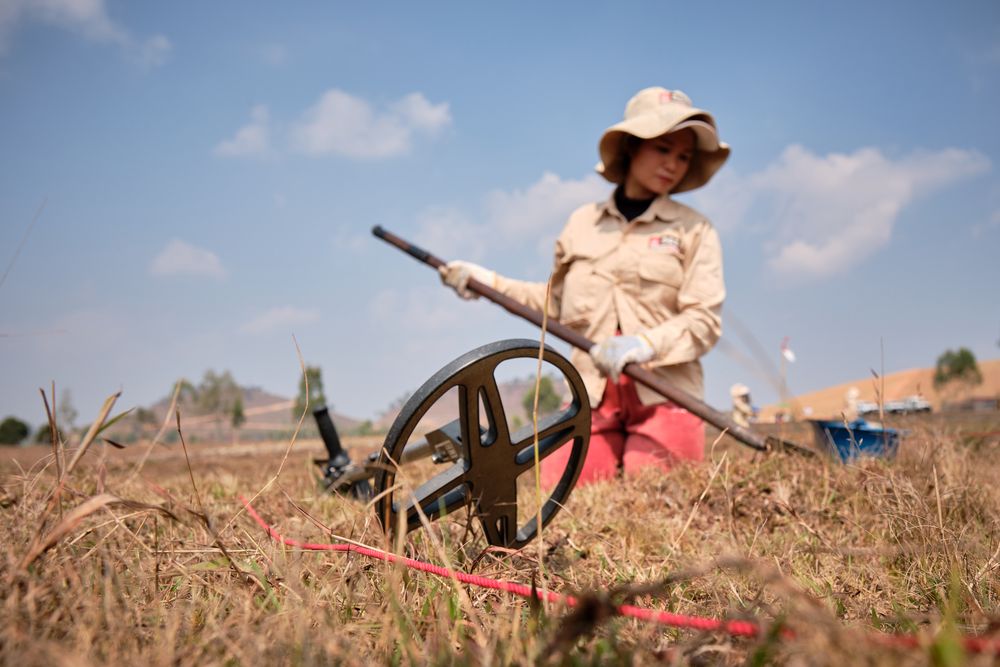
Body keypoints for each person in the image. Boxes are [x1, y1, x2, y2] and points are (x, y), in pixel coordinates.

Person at [440, 87, 730, 486]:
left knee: (658, 493)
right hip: (590, 393)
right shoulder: (582, 224)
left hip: (665, 393)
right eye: (663, 149)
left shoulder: (694, 229)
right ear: (631, 147)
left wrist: (644, 344)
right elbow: (552, 304)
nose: (673, 165)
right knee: (563, 493)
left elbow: (703, 322)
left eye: (683, 156)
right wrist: (484, 281)